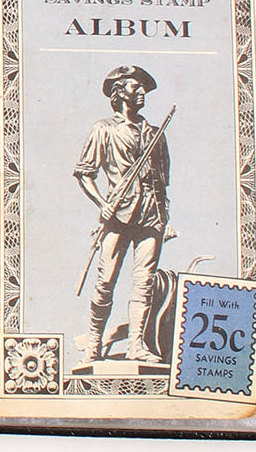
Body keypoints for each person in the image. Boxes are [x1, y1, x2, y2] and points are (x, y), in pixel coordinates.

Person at [73, 64, 170, 363]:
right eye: (134, 86)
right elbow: (84, 172)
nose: (141, 92)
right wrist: (102, 204)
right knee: (106, 282)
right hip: (118, 215)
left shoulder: (155, 133)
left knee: (145, 282)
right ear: (119, 92)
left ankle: (136, 346)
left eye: (143, 88)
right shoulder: (103, 129)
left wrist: (164, 217)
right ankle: (94, 343)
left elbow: (163, 179)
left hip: (151, 215)